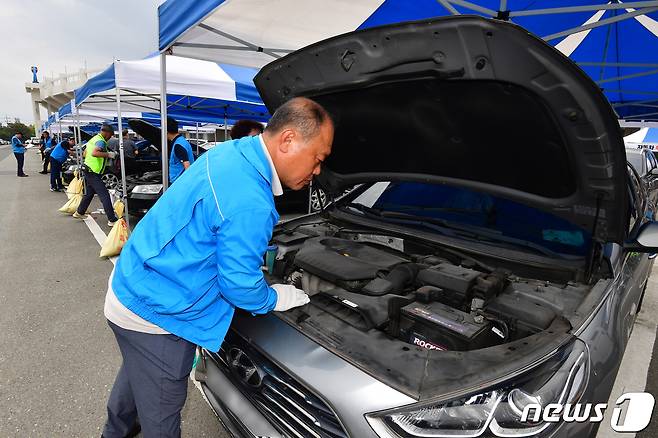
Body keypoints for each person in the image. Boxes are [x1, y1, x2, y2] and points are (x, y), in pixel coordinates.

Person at [101, 97, 334, 438]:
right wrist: (272, 297)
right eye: (318, 159)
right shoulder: (251, 199)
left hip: (131, 286)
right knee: (162, 419)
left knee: (138, 375)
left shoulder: (233, 153)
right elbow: (239, 286)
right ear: (287, 140)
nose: (317, 172)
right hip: (159, 313)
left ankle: (114, 432)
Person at [73, 124, 119, 226]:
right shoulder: (101, 142)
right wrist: (108, 155)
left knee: (89, 193)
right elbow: (95, 153)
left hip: (88, 169)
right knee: (104, 195)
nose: (110, 137)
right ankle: (112, 219)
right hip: (93, 172)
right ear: (106, 133)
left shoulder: (93, 139)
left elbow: (85, 153)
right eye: (110, 135)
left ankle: (79, 212)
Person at [166, 118, 194, 184]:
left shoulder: (178, 145)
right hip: (181, 180)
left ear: (166, 131)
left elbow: (187, 165)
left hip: (179, 181)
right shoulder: (183, 141)